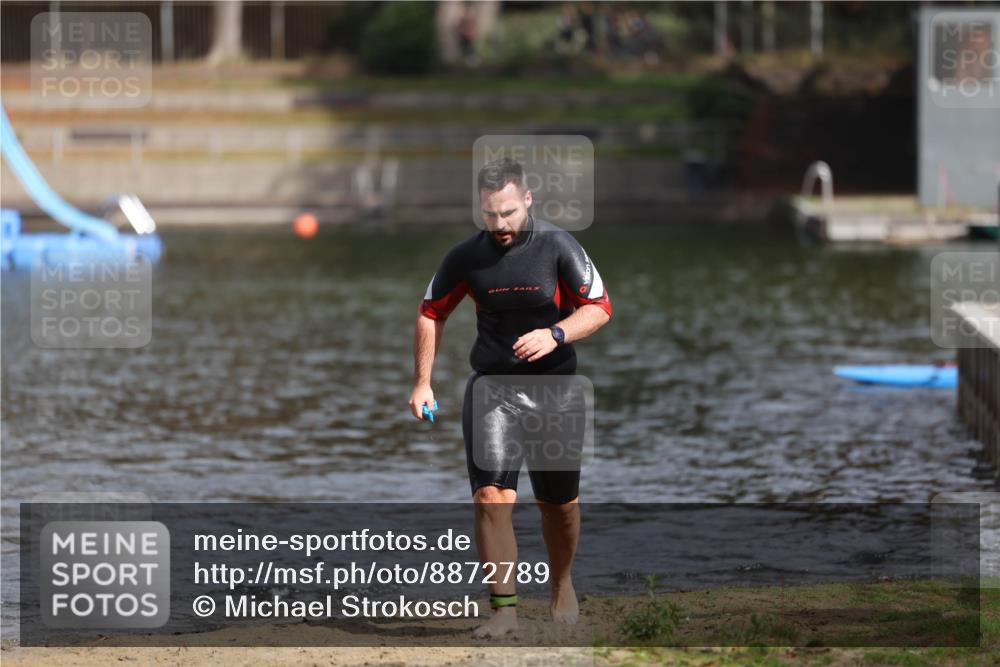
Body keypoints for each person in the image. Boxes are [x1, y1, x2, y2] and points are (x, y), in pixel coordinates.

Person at [408, 157, 612, 638]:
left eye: (508, 213)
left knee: (558, 504)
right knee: (490, 496)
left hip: (556, 391)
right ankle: (504, 609)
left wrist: (556, 333)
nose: (499, 224)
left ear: (527, 200)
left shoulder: (558, 246)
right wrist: (422, 381)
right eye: (490, 215)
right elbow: (429, 312)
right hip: (493, 388)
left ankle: (561, 583)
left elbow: (600, 308)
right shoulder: (466, 257)